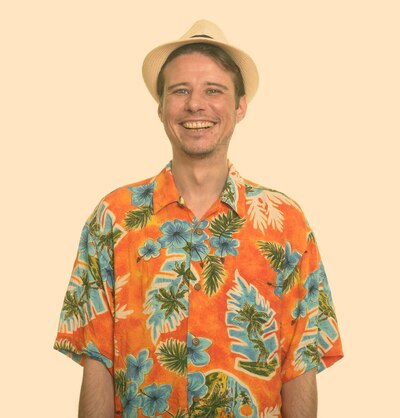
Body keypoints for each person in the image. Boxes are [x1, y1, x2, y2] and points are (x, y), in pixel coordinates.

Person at [54, 20, 343, 418]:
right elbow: (96, 359)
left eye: (214, 90)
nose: (195, 105)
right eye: (180, 91)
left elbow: (300, 365)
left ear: (240, 106)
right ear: (160, 107)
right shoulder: (113, 219)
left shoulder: (285, 223)